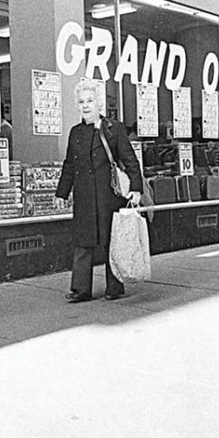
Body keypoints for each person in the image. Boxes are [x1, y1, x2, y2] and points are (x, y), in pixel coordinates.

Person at [55, 79, 143, 302]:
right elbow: (69, 164)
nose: (85, 106)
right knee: (83, 242)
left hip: (108, 195)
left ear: (99, 103)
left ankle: (114, 287)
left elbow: (130, 160)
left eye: (90, 101)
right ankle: (80, 289)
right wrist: (61, 193)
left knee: (110, 240)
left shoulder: (113, 129)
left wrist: (136, 188)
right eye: (82, 101)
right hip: (84, 196)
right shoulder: (75, 132)